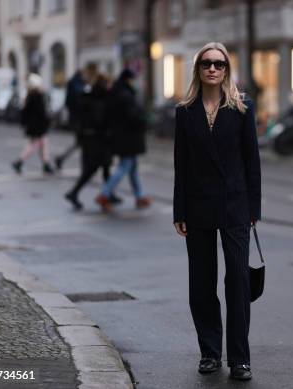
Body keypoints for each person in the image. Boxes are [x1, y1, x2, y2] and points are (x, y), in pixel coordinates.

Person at [172, 42, 261, 381]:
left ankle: (240, 358)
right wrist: (179, 209)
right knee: (202, 283)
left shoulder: (241, 108)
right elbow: (181, 165)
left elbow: (252, 161)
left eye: (219, 64)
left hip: (235, 205)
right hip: (197, 207)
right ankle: (210, 352)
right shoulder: (185, 111)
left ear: (226, 70)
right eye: (206, 63)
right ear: (198, 69)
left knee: (238, 281)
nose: (212, 68)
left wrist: (254, 207)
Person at [94, 69, 151, 211]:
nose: (134, 82)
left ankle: (139, 196)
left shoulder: (116, 93)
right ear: (128, 80)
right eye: (132, 79)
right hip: (129, 138)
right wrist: (143, 120)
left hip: (122, 137)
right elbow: (133, 117)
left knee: (132, 168)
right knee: (124, 166)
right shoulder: (125, 95)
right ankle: (104, 194)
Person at [64, 73, 114, 211]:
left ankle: (108, 195)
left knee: (105, 168)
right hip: (96, 141)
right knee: (92, 169)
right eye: (108, 84)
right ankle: (74, 192)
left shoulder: (90, 96)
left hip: (90, 139)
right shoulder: (99, 99)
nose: (110, 87)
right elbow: (99, 121)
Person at [11, 74, 55, 175]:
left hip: (33, 126)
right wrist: (48, 121)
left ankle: (46, 164)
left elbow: (24, 112)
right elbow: (42, 112)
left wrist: (24, 123)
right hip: (39, 126)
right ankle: (20, 162)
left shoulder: (29, 96)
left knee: (42, 144)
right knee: (34, 145)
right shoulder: (38, 96)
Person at [55, 69, 87, 170]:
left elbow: (68, 102)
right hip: (79, 119)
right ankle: (85, 167)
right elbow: (80, 102)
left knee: (81, 143)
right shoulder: (78, 86)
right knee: (82, 143)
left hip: (75, 118)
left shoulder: (73, 84)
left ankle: (61, 159)